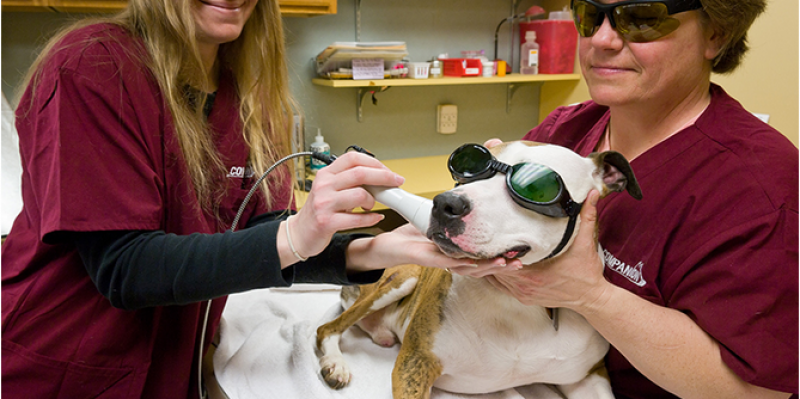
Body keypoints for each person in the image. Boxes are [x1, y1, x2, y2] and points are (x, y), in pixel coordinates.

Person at [0, 0, 480, 397]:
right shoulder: (90, 66)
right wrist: (295, 233)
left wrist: (382, 249)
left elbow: (256, 236)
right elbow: (126, 267)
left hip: (175, 365)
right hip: (65, 364)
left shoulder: (247, 94)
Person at [470, 0, 798, 398]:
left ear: (716, 33)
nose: (602, 40)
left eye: (641, 19)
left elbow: (758, 392)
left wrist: (591, 296)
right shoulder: (567, 131)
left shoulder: (759, 186)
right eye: (590, 16)